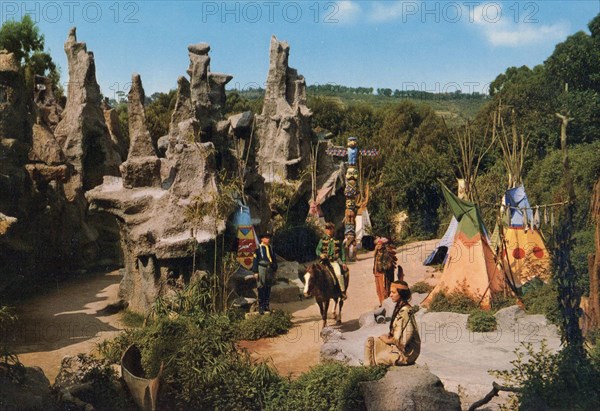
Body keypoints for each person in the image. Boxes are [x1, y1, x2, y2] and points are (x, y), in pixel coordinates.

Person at [364, 281, 420, 366]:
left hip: (407, 352)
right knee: (370, 341)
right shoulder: (400, 307)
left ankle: (369, 371)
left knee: (379, 356)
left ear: (401, 294)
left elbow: (403, 340)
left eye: (393, 292)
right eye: (391, 292)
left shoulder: (405, 311)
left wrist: (387, 339)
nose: (390, 295)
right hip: (398, 347)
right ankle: (368, 370)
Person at [316, 222, 348, 300]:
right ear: (325, 230)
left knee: (338, 274)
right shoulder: (322, 240)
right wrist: (320, 255)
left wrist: (343, 262)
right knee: (315, 273)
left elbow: (342, 252)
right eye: (327, 229)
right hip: (323, 262)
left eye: (330, 229)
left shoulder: (337, 240)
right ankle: (314, 291)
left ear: (333, 230)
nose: (329, 231)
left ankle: (342, 292)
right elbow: (317, 250)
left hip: (334, 262)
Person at [252, 232, 278, 314]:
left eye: (269, 238)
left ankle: (267, 305)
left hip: (269, 269)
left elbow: (273, 259)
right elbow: (255, 260)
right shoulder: (258, 248)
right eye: (266, 238)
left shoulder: (270, 248)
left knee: (268, 286)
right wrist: (255, 271)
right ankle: (261, 307)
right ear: (262, 239)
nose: (268, 239)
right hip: (261, 268)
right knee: (261, 286)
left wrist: (275, 268)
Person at [373, 237, 397, 304]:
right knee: (378, 290)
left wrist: (383, 269)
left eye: (379, 244)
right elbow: (374, 259)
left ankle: (385, 304)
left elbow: (388, 265)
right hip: (377, 273)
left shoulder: (386, 253)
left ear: (383, 245)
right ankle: (381, 303)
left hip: (383, 274)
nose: (378, 246)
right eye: (377, 245)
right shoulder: (377, 252)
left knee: (384, 290)